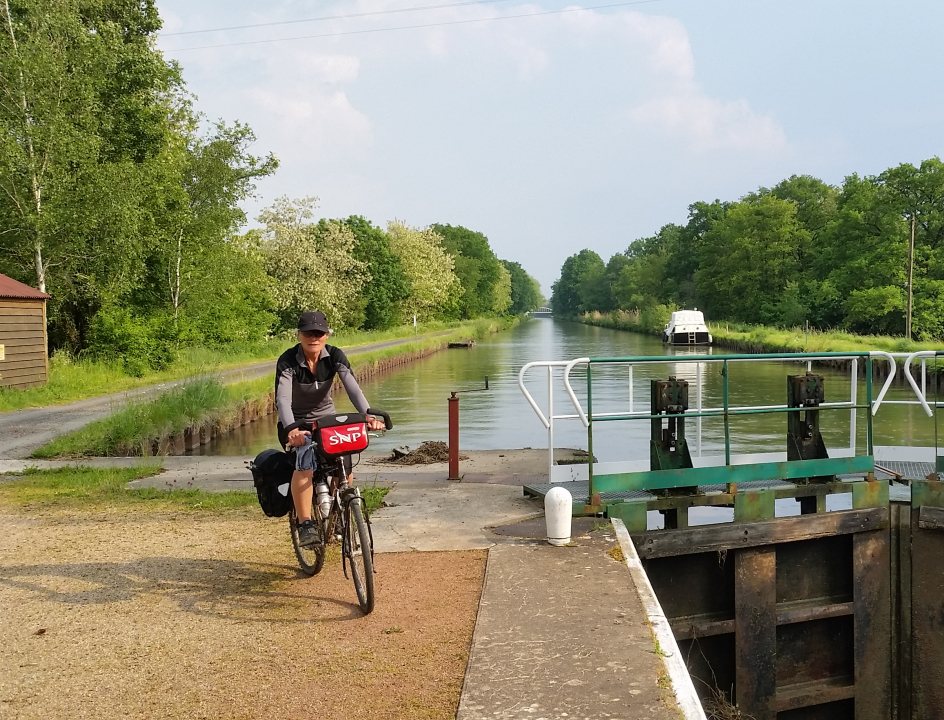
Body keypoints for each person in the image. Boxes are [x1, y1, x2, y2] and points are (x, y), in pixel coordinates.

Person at [274, 310, 384, 547]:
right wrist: (292, 429)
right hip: (295, 422)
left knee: (344, 459)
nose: (313, 338)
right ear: (299, 335)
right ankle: (305, 524)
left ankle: (339, 513)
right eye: (308, 333)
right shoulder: (288, 361)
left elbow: (353, 389)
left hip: (325, 420)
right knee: (304, 459)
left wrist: (368, 416)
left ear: (326, 335)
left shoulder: (335, 356)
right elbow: (282, 399)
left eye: (319, 333)